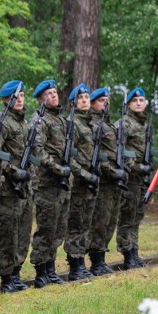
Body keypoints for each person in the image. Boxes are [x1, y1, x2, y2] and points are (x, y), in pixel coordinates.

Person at [29, 79, 73, 288]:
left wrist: (68, 170)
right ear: (40, 99)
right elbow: (39, 152)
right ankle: (40, 272)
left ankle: (51, 269)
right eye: (49, 93)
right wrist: (58, 169)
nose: (54, 95)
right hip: (47, 183)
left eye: (55, 92)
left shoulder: (62, 121)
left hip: (62, 183)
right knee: (46, 228)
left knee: (59, 228)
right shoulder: (39, 121)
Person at [0, 80, 33, 293]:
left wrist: (29, 176)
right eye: (15, 97)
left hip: (25, 188)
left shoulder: (25, 124)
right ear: (5, 99)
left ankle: (16, 273)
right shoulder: (1, 123)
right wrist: (16, 173)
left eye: (22, 96)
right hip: (7, 189)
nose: (19, 100)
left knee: (23, 233)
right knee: (8, 235)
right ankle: (6, 277)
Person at [86, 87, 128, 276]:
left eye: (106, 100)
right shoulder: (93, 125)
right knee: (100, 221)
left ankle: (102, 257)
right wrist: (112, 171)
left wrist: (122, 168)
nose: (106, 103)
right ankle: (96, 261)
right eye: (101, 101)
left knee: (111, 220)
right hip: (104, 180)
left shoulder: (108, 124)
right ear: (93, 103)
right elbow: (97, 154)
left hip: (115, 181)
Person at [64, 83, 99, 281]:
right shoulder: (72, 124)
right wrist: (86, 175)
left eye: (87, 97)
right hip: (78, 183)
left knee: (86, 223)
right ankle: (75, 265)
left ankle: (82, 263)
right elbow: (70, 157)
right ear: (73, 103)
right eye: (81, 98)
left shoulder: (90, 124)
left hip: (90, 182)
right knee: (76, 224)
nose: (85, 100)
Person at [116, 87, 153, 269]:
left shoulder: (144, 125)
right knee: (127, 216)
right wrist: (138, 167)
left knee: (137, 216)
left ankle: (135, 251)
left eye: (141, 100)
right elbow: (122, 152)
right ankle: (127, 254)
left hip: (141, 179)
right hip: (129, 178)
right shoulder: (124, 124)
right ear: (129, 104)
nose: (139, 103)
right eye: (135, 101)